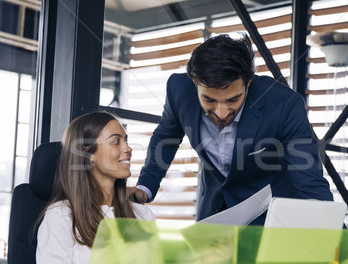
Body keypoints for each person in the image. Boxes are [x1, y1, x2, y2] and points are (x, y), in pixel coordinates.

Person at [132, 33, 332, 224]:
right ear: (194, 83)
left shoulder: (283, 104)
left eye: (233, 99)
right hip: (212, 214)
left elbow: (309, 179)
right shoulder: (179, 90)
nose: (221, 112)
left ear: (249, 82)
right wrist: (145, 187)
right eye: (209, 100)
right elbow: (166, 136)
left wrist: (338, 240)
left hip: (268, 218)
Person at [36, 111, 154, 264]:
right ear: (87, 153)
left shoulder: (142, 215)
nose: (128, 148)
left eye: (126, 140)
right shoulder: (61, 217)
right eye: (116, 141)